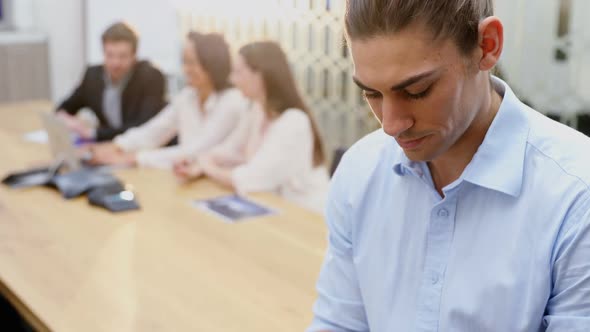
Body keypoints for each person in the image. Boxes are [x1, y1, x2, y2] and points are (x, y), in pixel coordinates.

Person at [308, 0, 590, 331]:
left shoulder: (575, 194)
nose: (391, 124)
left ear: (487, 46)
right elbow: (339, 322)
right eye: (372, 94)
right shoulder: (361, 171)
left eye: (417, 91)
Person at [174, 41, 329, 212]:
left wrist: (207, 167)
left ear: (260, 75)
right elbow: (230, 150)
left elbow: (251, 179)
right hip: (270, 207)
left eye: (238, 72)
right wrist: (198, 163)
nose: (232, 79)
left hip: (304, 215)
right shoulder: (256, 110)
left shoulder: (293, 122)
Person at [89, 32, 247, 169]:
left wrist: (133, 158)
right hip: (188, 177)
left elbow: (195, 151)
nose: (186, 69)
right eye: (184, 62)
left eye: (191, 63)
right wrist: (117, 146)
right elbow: (154, 131)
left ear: (212, 64)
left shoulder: (232, 102)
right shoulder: (188, 96)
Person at [56, 21, 166, 141]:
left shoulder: (151, 77)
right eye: (110, 55)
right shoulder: (92, 76)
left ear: (134, 56)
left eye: (122, 56)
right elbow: (65, 107)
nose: (115, 63)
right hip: (107, 147)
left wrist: (94, 133)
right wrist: (67, 120)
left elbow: (144, 127)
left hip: (141, 147)